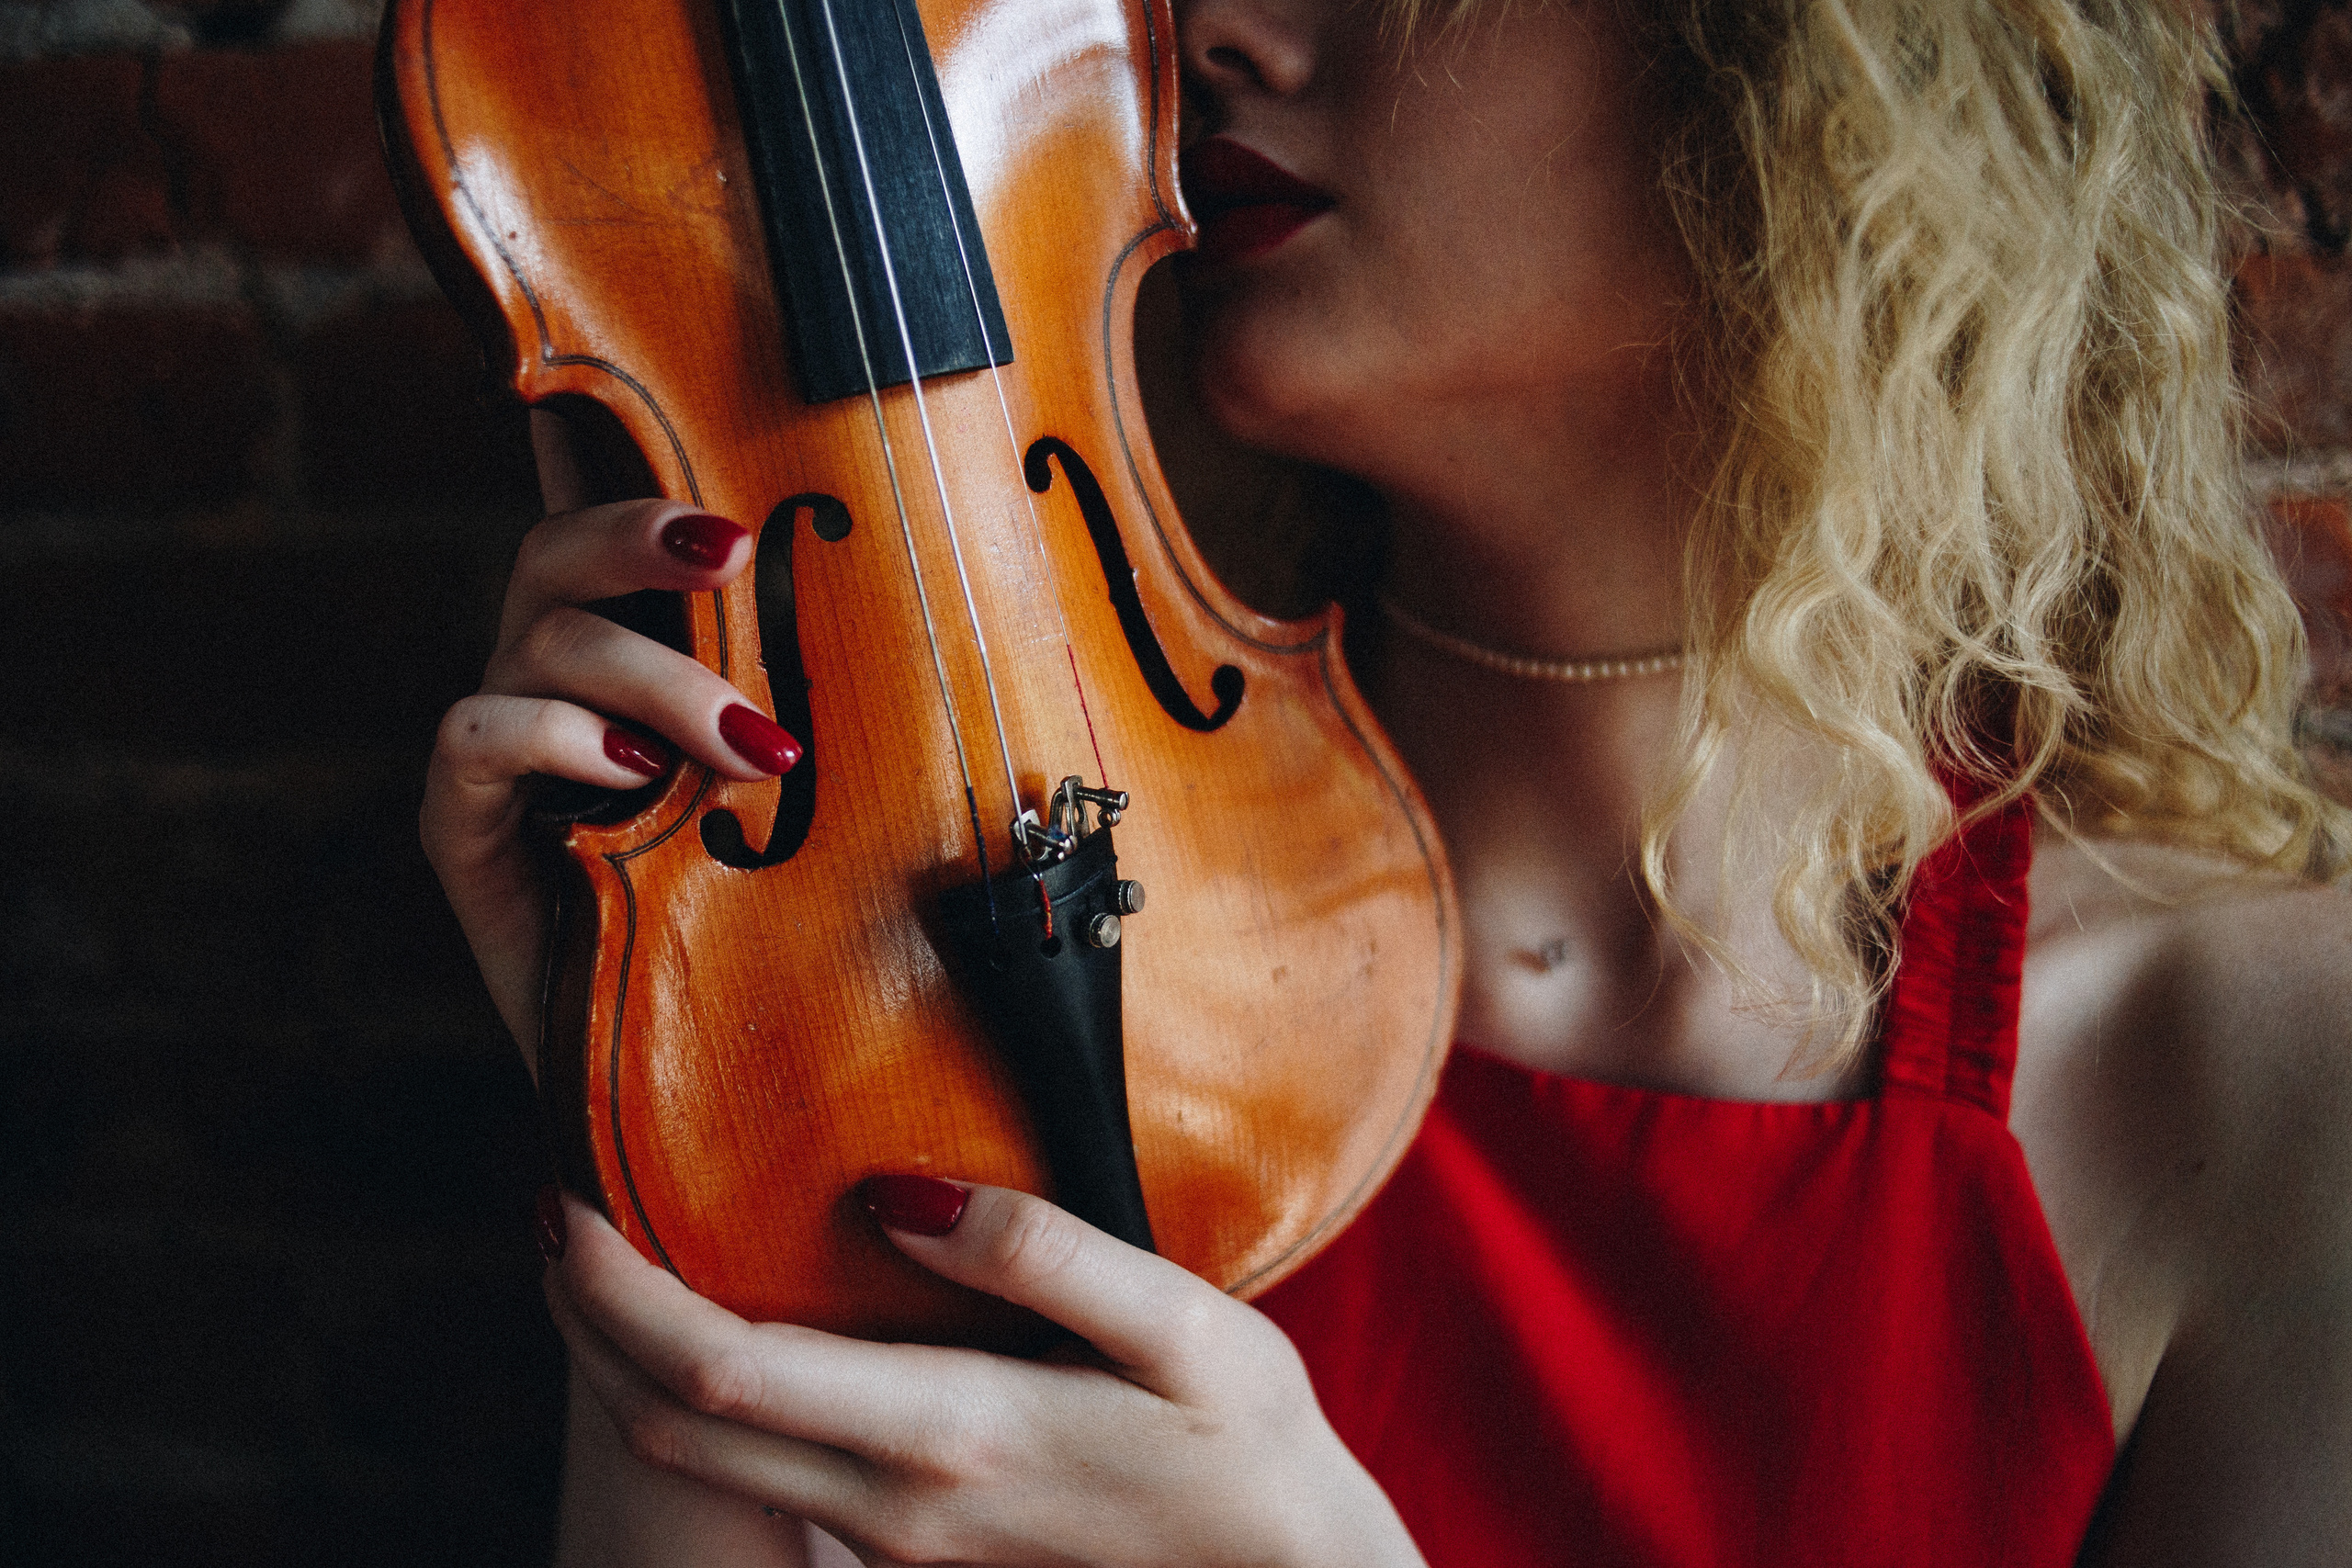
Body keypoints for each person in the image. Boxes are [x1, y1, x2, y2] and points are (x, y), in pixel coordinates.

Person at [419, 0, 2352, 1562]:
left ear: (1812, 73)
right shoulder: (941, 890)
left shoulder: (2265, 1067)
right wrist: (671, 1072)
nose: (1213, 33)